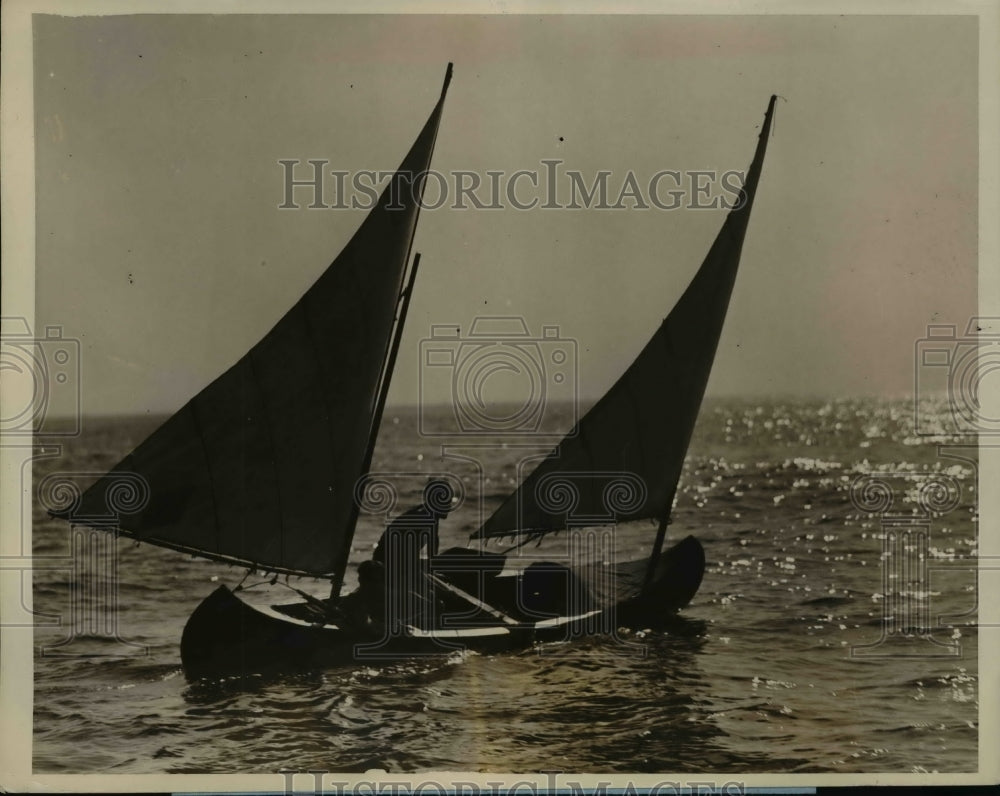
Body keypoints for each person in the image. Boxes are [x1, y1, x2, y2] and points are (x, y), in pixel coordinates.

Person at [370, 479, 454, 628]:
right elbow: (407, 562)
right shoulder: (422, 518)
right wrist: (426, 580)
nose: (449, 505)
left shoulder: (431, 516)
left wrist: (433, 575)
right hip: (387, 568)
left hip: (401, 565)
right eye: (446, 500)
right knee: (437, 600)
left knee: (446, 592)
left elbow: (431, 554)